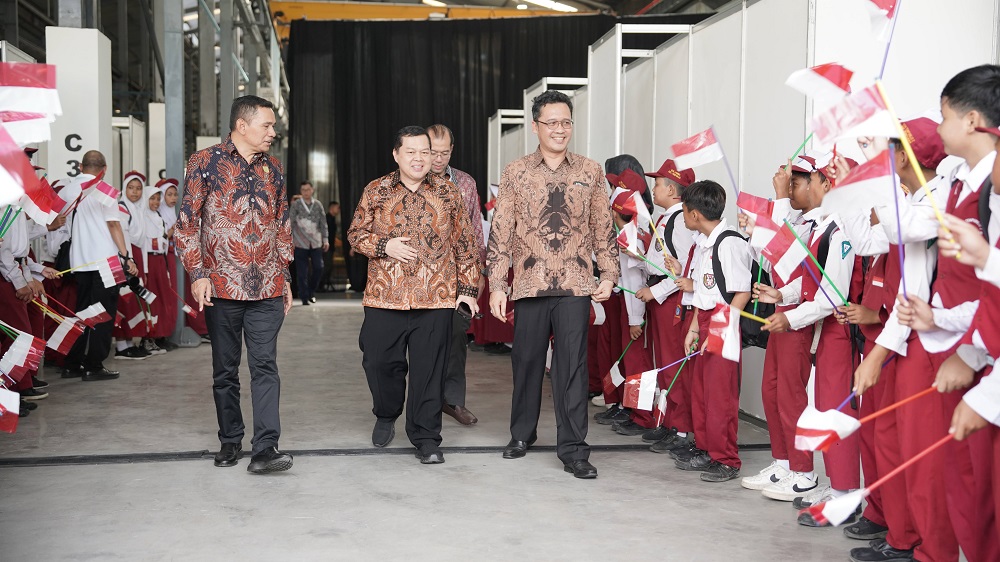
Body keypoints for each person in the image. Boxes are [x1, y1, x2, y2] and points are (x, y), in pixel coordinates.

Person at [487, 90, 618, 479]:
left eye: (566, 122)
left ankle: (574, 449)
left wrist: (609, 274)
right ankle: (522, 433)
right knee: (526, 362)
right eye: (552, 122)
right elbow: (501, 230)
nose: (560, 129)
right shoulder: (516, 172)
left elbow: (603, 228)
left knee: (572, 367)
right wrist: (497, 283)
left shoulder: (590, 171)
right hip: (530, 282)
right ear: (536, 127)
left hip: (575, 283)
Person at [347, 125, 481, 465]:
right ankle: (386, 412)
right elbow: (355, 234)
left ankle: (426, 437)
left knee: (429, 371)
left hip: (436, 297)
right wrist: (384, 245)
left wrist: (467, 291)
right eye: (411, 152)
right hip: (385, 296)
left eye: (425, 152)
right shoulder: (376, 190)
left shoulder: (449, 193)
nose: (419, 158)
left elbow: (466, 245)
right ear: (397, 154)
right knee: (378, 362)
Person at [176, 95, 295, 474]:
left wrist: (285, 276)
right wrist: (197, 274)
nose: (273, 132)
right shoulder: (204, 162)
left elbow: (282, 225)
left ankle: (265, 448)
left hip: (267, 288)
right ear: (242, 126)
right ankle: (230, 439)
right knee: (225, 370)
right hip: (221, 287)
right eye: (267, 125)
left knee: (265, 366)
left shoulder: (274, 168)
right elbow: (187, 224)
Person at [674, 179, 752, 483]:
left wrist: (720, 331)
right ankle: (707, 448)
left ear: (694, 214)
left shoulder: (729, 243)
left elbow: (741, 292)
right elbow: (704, 293)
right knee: (702, 393)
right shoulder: (705, 243)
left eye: (684, 210)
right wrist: (694, 328)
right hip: (706, 318)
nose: (683, 216)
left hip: (723, 321)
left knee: (721, 396)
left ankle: (726, 459)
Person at [427, 123, 487, 426]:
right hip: (421, 277)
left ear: (452, 150)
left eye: (444, 153)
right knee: (424, 341)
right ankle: (425, 403)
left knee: (455, 339)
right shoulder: (411, 179)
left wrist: (480, 271)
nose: (438, 159)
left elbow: (476, 229)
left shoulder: (465, 183)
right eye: (433, 152)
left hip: (458, 276)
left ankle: (452, 400)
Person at [61, 150, 138, 381]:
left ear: (80, 167)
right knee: (104, 313)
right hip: (106, 260)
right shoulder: (105, 190)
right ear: (104, 169)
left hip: (80, 261)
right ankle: (94, 365)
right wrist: (126, 256)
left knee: (81, 312)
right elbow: (114, 225)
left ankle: (72, 364)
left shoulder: (68, 190)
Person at [289, 181, 328, 306]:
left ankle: (311, 291)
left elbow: (323, 223)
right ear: (300, 191)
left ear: (312, 190)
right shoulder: (296, 205)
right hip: (300, 242)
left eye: (308, 189)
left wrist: (325, 239)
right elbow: (290, 223)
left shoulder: (318, 204)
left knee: (319, 267)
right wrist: (290, 240)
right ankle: (304, 297)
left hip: (316, 242)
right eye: (303, 190)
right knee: (302, 272)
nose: (306, 192)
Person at [321, 201, 340, 292]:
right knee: (326, 266)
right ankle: (320, 285)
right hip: (326, 247)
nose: (339, 210)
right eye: (337, 208)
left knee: (329, 265)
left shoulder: (332, 219)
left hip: (331, 246)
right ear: (332, 208)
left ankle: (325, 284)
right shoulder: (327, 218)